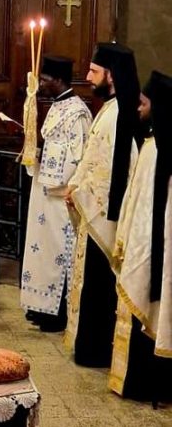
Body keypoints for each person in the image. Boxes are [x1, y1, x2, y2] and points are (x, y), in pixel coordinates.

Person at [64, 43, 141, 367]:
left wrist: (80, 191)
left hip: (105, 216)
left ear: (111, 75)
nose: (87, 77)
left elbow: (117, 170)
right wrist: (76, 186)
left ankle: (96, 350)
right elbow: (93, 161)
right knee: (92, 283)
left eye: (94, 71)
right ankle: (89, 347)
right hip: (94, 211)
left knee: (100, 285)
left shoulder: (121, 113)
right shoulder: (109, 110)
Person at [109, 71, 172, 401]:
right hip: (140, 242)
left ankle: (149, 384)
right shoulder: (151, 144)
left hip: (154, 249)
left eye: (144, 103)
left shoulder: (163, 150)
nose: (138, 108)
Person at [20, 56, 92, 332]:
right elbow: (52, 146)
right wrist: (33, 150)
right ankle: (41, 307)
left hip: (61, 195)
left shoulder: (78, 112)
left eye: (45, 80)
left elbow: (79, 157)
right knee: (42, 251)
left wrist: (52, 171)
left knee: (59, 252)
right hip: (44, 192)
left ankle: (58, 313)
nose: (41, 85)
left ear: (59, 80)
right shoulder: (55, 105)